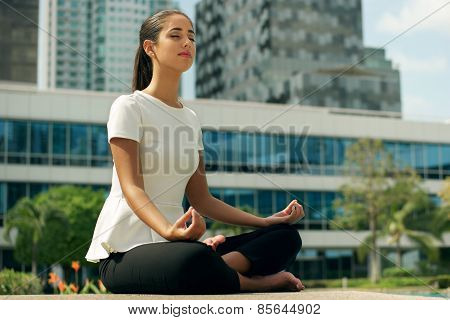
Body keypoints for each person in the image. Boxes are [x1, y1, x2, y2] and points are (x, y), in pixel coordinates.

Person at [85, 9, 306, 295]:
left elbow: (202, 200)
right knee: (193, 257)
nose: (187, 43)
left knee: (285, 237)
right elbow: (131, 188)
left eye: (191, 36)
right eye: (175, 35)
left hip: (177, 248)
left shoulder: (189, 119)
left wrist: (265, 222)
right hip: (125, 254)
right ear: (150, 47)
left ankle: (215, 268)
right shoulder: (128, 107)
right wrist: (169, 232)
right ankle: (254, 282)